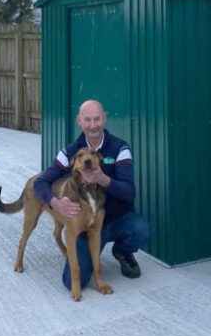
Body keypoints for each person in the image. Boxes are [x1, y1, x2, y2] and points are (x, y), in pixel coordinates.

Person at [34, 99, 150, 291]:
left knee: (141, 229)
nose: (93, 125)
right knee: (69, 282)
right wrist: (55, 203)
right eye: (87, 120)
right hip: (84, 225)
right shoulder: (70, 151)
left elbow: (130, 193)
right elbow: (40, 183)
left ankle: (123, 252)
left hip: (115, 219)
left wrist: (103, 179)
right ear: (79, 120)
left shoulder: (120, 148)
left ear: (104, 119)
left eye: (97, 119)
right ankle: (87, 256)